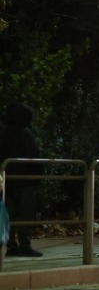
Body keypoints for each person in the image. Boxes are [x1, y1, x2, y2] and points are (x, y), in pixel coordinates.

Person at [0, 101, 43, 257]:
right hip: (26, 181)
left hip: (8, 180)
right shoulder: (25, 134)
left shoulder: (4, 133)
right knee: (25, 214)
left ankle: (12, 245)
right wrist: (39, 174)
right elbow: (34, 157)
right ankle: (25, 245)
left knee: (10, 215)